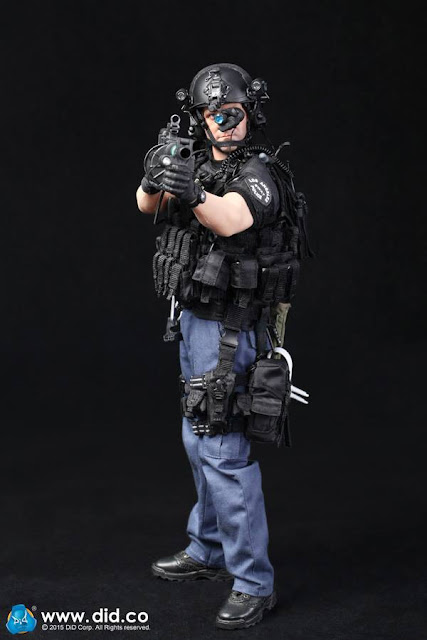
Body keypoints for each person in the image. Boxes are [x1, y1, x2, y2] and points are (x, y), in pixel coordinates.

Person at [136, 63, 310, 630]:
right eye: (214, 114)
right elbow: (147, 206)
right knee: (198, 439)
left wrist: (190, 189)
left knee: (223, 452)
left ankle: (254, 581)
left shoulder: (261, 173)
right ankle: (207, 546)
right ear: (200, 117)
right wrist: (155, 175)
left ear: (249, 113)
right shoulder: (196, 159)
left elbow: (231, 219)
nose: (224, 123)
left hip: (232, 329)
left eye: (232, 113)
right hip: (193, 321)